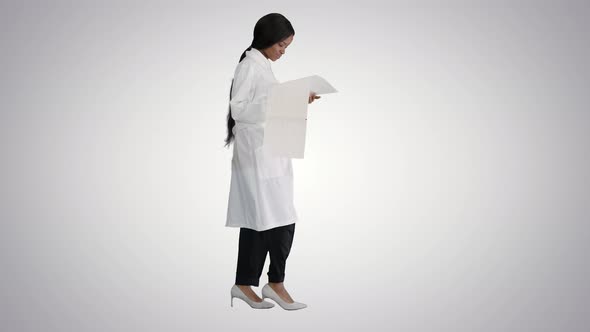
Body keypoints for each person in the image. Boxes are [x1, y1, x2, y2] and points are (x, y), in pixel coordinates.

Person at [224, 13, 319, 310]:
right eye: (281, 45)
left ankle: (262, 283)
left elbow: (267, 105)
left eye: (287, 46)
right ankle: (258, 283)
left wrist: (295, 99)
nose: (283, 51)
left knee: (275, 218)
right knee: (264, 220)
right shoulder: (248, 66)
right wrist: (282, 100)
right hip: (256, 157)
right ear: (266, 40)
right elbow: (239, 110)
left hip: (272, 152)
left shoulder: (262, 66)